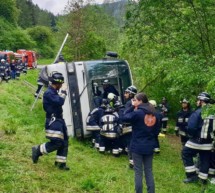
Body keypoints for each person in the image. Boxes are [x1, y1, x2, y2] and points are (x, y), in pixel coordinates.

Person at [122, 93, 161, 193]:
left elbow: (124, 117)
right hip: (149, 145)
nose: (133, 101)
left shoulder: (137, 113)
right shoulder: (156, 113)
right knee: (148, 171)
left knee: (138, 172)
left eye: (135, 100)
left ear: (140, 101)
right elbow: (157, 131)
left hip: (137, 146)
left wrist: (131, 106)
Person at [32, 72, 70, 170]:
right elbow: (59, 101)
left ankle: (60, 164)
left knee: (64, 141)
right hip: (53, 121)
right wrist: (64, 91)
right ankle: (38, 149)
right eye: (60, 84)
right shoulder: (49, 93)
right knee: (57, 142)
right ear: (57, 83)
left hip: (59, 119)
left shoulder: (53, 91)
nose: (61, 86)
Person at [182, 92, 214, 184]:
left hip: (196, 140)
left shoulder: (198, 112)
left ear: (202, 101)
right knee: (205, 159)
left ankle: (192, 176)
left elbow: (191, 127)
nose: (197, 102)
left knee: (185, 153)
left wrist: (190, 135)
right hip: (208, 143)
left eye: (198, 100)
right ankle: (203, 179)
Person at [120, 85, 138, 168]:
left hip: (129, 126)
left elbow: (125, 114)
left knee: (130, 144)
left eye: (126, 93)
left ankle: (132, 162)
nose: (124, 95)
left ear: (131, 94)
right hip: (136, 126)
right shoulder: (138, 102)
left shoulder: (129, 103)